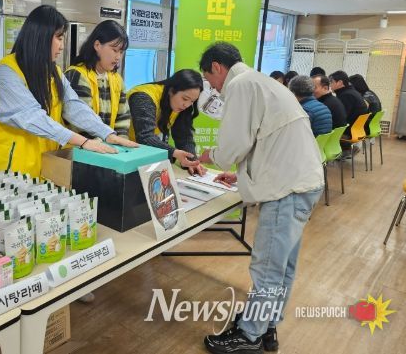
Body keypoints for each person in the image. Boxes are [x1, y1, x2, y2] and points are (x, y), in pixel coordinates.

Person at [198, 42, 323, 354]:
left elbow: (233, 146)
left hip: (286, 189)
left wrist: (210, 155)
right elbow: (265, 141)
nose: (212, 88)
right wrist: (242, 177)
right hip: (303, 182)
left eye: (209, 79)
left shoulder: (240, 85)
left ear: (217, 67)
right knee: (283, 265)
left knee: (267, 266)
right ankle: (267, 325)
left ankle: (249, 335)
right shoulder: (263, 82)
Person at [0, 5, 137, 177]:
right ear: (41, 36)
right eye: (58, 37)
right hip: (11, 170)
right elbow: (32, 117)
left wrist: (106, 133)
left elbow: (73, 106)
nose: (62, 46)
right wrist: (83, 141)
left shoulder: (53, 71)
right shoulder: (7, 72)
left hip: (46, 164)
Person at [128, 70, 206, 176]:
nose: (187, 105)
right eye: (185, 99)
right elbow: (145, 137)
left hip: (139, 154)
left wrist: (192, 161)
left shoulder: (179, 104)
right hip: (119, 152)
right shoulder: (143, 97)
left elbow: (184, 136)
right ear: (171, 90)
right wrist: (174, 152)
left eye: (192, 101)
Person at [65, 20, 131, 138]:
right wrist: (106, 143)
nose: (118, 57)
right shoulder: (77, 75)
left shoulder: (117, 80)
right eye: (114, 50)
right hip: (80, 147)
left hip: (108, 146)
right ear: (97, 45)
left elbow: (122, 120)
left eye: (121, 52)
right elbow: (82, 123)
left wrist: (120, 142)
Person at [328, 71, 367, 138]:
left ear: (340, 82)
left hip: (348, 132)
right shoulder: (352, 92)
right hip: (356, 130)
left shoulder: (346, 96)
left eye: (331, 82)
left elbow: (341, 118)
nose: (330, 85)